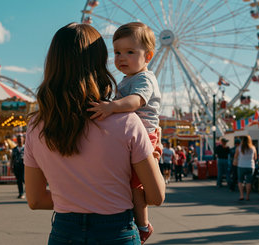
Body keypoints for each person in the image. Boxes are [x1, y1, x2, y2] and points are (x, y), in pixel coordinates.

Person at [24, 23, 165, 245]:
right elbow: (156, 196)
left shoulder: (36, 126)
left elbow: (35, 199)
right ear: (99, 62)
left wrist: (78, 199)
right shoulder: (128, 121)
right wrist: (155, 156)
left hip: (64, 232)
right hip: (117, 231)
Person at [86, 22, 161, 242]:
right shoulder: (127, 79)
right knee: (129, 182)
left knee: (135, 184)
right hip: (135, 136)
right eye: (117, 52)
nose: (121, 58)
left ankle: (142, 224)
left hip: (145, 136)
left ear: (148, 56)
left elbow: (135, 101)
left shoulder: (144, 79)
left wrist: (110, 107)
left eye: (130, 52)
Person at [233, 135, 257, 201]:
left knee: (240, 181)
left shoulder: (239, 148)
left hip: (241, 165)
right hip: (250, 166)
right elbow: (255, 158)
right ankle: (247, 196)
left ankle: (241, 195)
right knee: (248, 182)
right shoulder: (253, 147)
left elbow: (235, 156)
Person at [11, 134, 25, 199]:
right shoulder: (14, 149)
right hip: (17, 166)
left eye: (21, 138)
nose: (20, 140)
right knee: (19, 180)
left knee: (24, 179)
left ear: (23, 139)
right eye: (18, 138)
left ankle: (29, 192)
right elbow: (12, 158)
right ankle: (21, 193)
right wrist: (11, 166)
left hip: (24, 166)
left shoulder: (26, 148)